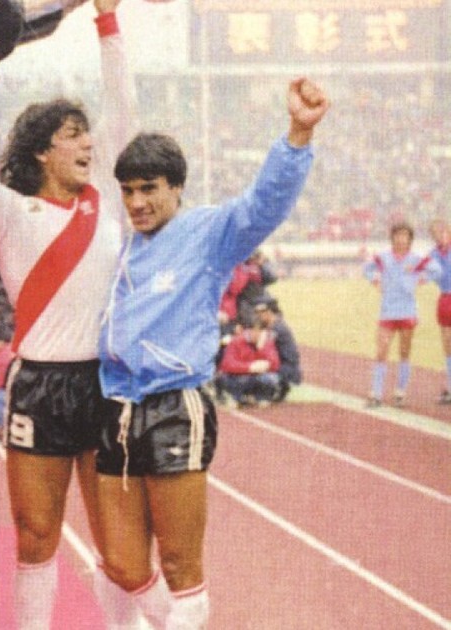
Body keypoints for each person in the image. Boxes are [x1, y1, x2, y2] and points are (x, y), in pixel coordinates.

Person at [95, 77, 328, 629]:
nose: (137, 202)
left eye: (149, 189)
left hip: (174, 408)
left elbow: (263, 205)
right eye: (128, 191)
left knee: (180, 567)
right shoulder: (123, 247)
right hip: (117, 408)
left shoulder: (207, 233)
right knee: (122, 563)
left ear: (177, 187)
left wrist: (297, 135)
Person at [0, 1, 142, 626]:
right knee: (36, 535)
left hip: (104, 384)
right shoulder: (11, 214)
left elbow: (123, 113)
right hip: (39, 387)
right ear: (41, 153)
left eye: (86, 133)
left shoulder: (108, 199)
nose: (88, 142)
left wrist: (108, 23)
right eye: (71, 134)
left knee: (118, 542)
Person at [362, 222, 442, 408]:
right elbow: (367, 268)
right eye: (398, 235)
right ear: (392, 238)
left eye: (405, 236)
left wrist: (420, 279)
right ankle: (376, 393)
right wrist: (375, 280)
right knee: (381, 351)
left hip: (407, 311)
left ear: (410, 239)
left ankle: (400, 392)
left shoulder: (416, 258)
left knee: (404, 352)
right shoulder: (384, 257)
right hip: (388, 311)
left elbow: (436, 270)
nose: (401, 239)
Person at [214, 322, 281, 407]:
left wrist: (261, 350)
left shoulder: (266, 343)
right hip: (237, 376)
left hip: (256, 376)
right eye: (254, 331)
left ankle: (260, 397)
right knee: (237, 379)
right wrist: (249, 367)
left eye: (259, 331)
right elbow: (227, 364)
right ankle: (235, 397)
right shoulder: (236, 342)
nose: (256, 334)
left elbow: (275, 364)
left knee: (271, 378)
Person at [254, 297, 301, 402]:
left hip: (286, 368)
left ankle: (278, 387)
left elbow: (263, 348)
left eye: (261, 312)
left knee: (255, 376)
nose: (258, 315)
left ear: (270, 311)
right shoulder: (273, 325)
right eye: (257, 312)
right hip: (283, 365)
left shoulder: (277, 328)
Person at [426, 218, 451, 403]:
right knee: (448, 344)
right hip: (445, 298)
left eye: (442, 231)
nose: (439, 235)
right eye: (435, 233)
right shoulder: (432, 255)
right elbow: (427, 274)